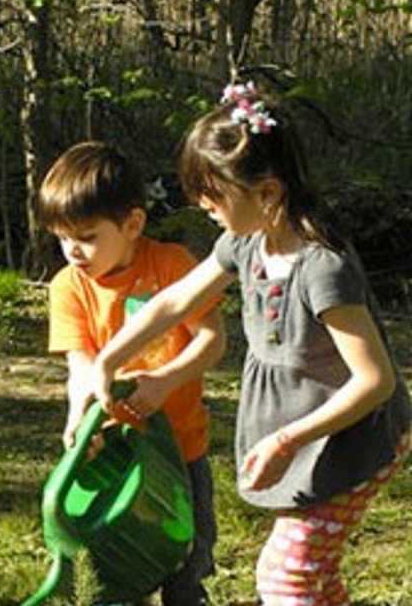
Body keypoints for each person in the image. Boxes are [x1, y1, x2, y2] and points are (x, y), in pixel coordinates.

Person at [91, 83, 412, 606]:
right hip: (311, 442)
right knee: (315, 579)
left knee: (285, 577)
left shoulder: (322, 269)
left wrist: (286, 441)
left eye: (213, 195)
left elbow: (375, 380)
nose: (203, 206)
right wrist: (109, 360)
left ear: (267, 192)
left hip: (355, 442)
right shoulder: (246, 242)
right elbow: (174, 303)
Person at [38, 140, 227, 606]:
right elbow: (79, 365)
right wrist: (78, 419)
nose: (73, 251)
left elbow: (212, 341)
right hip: (115, 457)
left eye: (86, 236)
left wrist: (165, 381)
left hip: (180, 450)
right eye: (62, 238)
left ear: (133, 224)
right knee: (119, 566)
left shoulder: (171, 266)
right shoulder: (68, 287)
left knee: (185, 564)